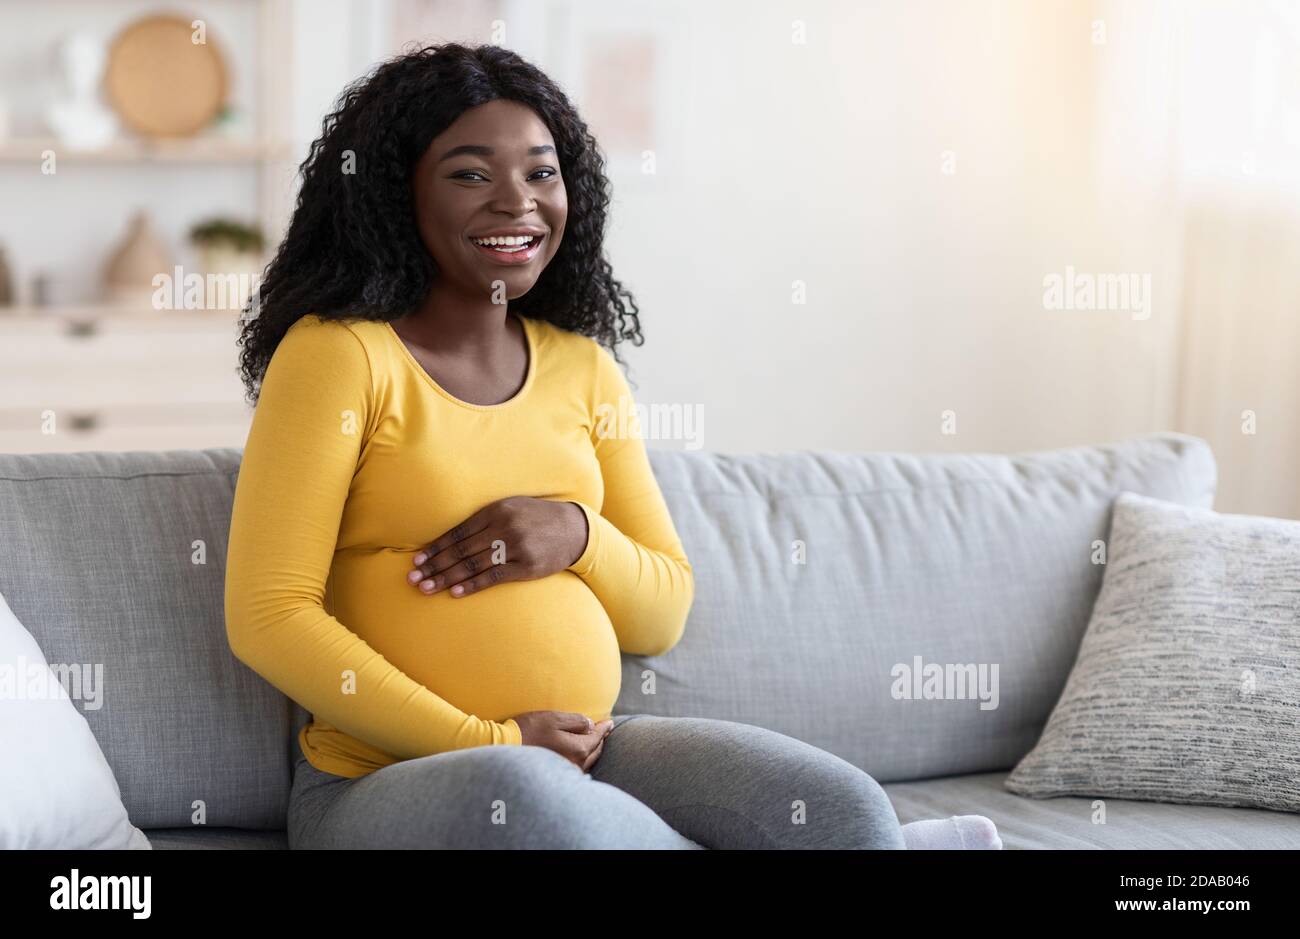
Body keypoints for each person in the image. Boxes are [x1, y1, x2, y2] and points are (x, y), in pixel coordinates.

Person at [224, 41, 998, 850]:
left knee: (841, 806)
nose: (517, 201)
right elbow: (268, 616)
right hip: (384, 779)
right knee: (539, 805)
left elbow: (662, 610)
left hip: (594, 753)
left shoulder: (582, 369)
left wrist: (577, 535)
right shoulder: (338, 355)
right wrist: (489, 742)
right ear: (394, 195)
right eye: (469, 173)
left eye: (540, 171)